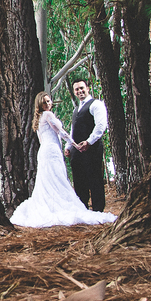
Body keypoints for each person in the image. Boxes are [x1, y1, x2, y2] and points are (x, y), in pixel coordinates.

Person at [10, 91, 116, 228]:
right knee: (57, 178)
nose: (48, 104)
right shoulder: (48, 115)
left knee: (49, 179)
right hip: (51, 150)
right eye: (44, 102)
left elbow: (42, 139)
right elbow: (61, 132)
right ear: (39, 105)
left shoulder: (38, 118)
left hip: (44, 151)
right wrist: (73, 144)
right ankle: (59, 207)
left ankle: (52, 206)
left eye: (49, 101)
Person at [67, 79, 108, 212]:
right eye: (77, 89)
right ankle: (83, 210)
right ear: (74, 92)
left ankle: (98, 210)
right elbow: (73, 130)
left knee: (94, 179)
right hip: (77, 151)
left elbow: (101, 126)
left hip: (92, 149)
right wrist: (68, 147)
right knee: (79, 182)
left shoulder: (96, 104)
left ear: (87, 88)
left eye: (82, 88)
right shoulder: (76, 109)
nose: (80, 91)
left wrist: (89, 142)